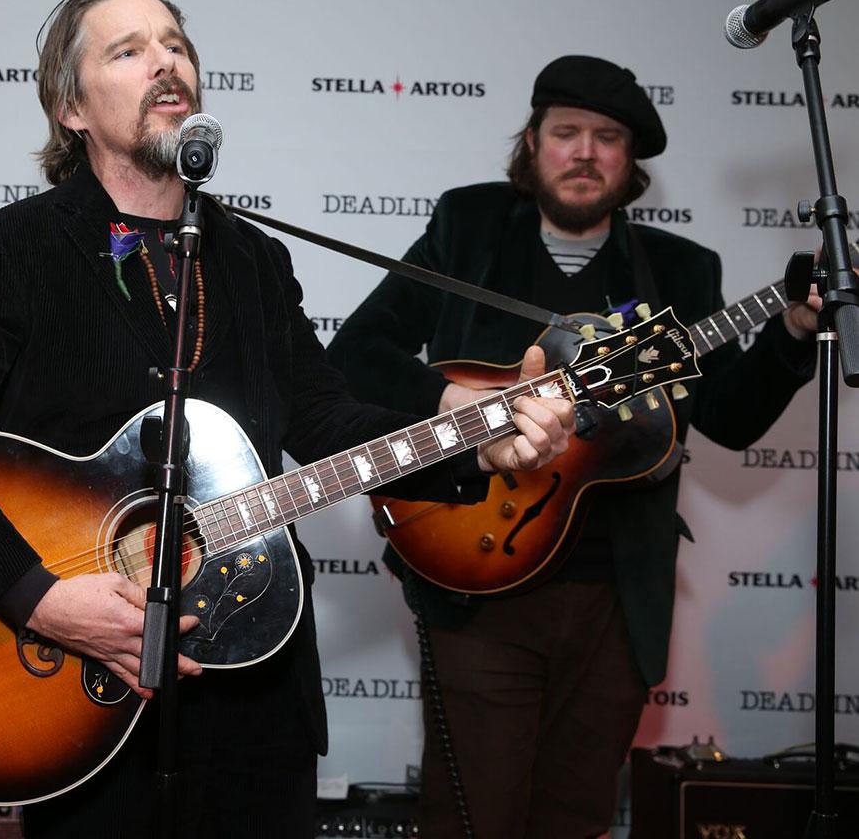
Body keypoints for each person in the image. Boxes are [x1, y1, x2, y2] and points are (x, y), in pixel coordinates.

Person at [0, 0, 572, 839]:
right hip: (81, 687)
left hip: (256, 692)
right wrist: (34, 597)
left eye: (176, 45)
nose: (166, 63)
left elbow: (331, 425)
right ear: (71, 108)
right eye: (129, 50)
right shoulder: (17, 252)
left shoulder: (254, 260)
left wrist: (483, 442)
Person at [327, 54, 820, 839]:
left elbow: (729, 415)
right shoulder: (470, 228)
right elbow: (357, 353)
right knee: (472, 816)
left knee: (576, 815)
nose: (585, 152)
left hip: (614, 597)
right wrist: (463, 401)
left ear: (631, 163)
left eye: (607, 137)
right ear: (532, 143)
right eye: (566, 133)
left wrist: (792, 334)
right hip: (479, 576)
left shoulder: (682, 273)